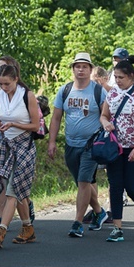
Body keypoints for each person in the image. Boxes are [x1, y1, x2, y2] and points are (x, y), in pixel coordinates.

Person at [47, 53, 108, 238]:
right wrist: (51, 142)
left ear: (90, 70)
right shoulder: (64, 90)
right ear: (73, 69)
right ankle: (99, 211)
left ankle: (77, 223)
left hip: (92, 145)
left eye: (84, 66)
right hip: (70, 145)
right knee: (82, 183)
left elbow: (107, 115)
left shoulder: (98, 91)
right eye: (77, 66)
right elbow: (56, 117)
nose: (80, 69)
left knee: (83, 182)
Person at [100, 55, 134, 242]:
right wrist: (106, 123)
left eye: (121, 77)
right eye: (115, 77)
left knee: (132, 187)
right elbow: (104, 115)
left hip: (133, 147)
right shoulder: (112, 93)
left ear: (131, 76)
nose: (117, 81)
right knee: (115, 186)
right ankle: (117, 228)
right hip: (115, 148)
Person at [0, 63, 40, 248]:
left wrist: (15, 125)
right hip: (6, 146)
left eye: (7, 84)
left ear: (16, 79)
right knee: (18, 191)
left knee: (12, 190)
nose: (3, 87)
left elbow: (35, 126)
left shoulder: (27, 95)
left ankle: (1, 229)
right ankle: (28, 228)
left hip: (23, 146)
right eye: (0, 84)